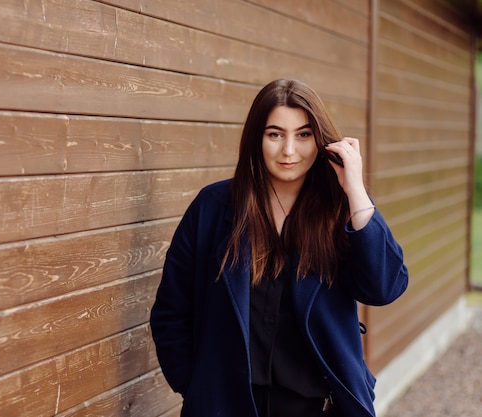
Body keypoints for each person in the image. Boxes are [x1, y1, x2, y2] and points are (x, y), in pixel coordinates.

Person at [149, 79, 408, 417]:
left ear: (321, 141)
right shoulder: (213, 207)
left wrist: (355, 190)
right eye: (275, 134)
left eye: (303, 135)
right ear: (257, 139)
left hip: (318, 407)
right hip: (228, 406)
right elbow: (171, 310)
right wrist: (196, 387)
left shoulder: (340, 210)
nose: (289, 150)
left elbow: (384, 287)